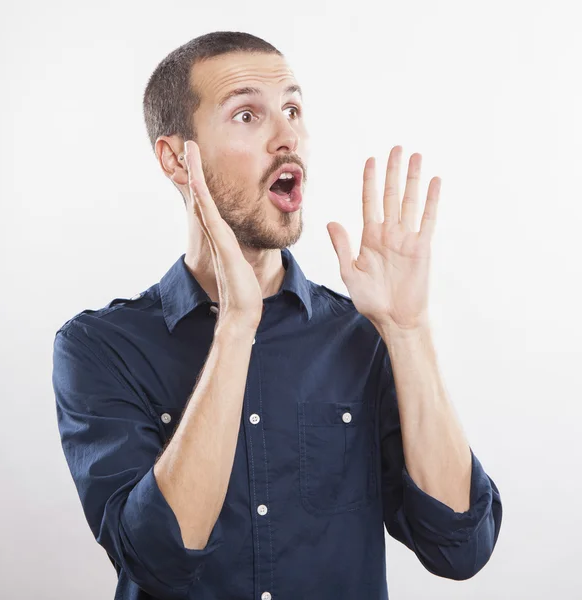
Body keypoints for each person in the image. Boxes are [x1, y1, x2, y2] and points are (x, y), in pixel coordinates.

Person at [52, 31, 502, 600]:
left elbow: (461, 547)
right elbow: (160, 560)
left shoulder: (361, 335)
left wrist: (408, 332)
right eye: (246, 114)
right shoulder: (99, 347)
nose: (288, 136)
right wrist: (236, 327)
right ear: (175, 159)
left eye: (293, 109)